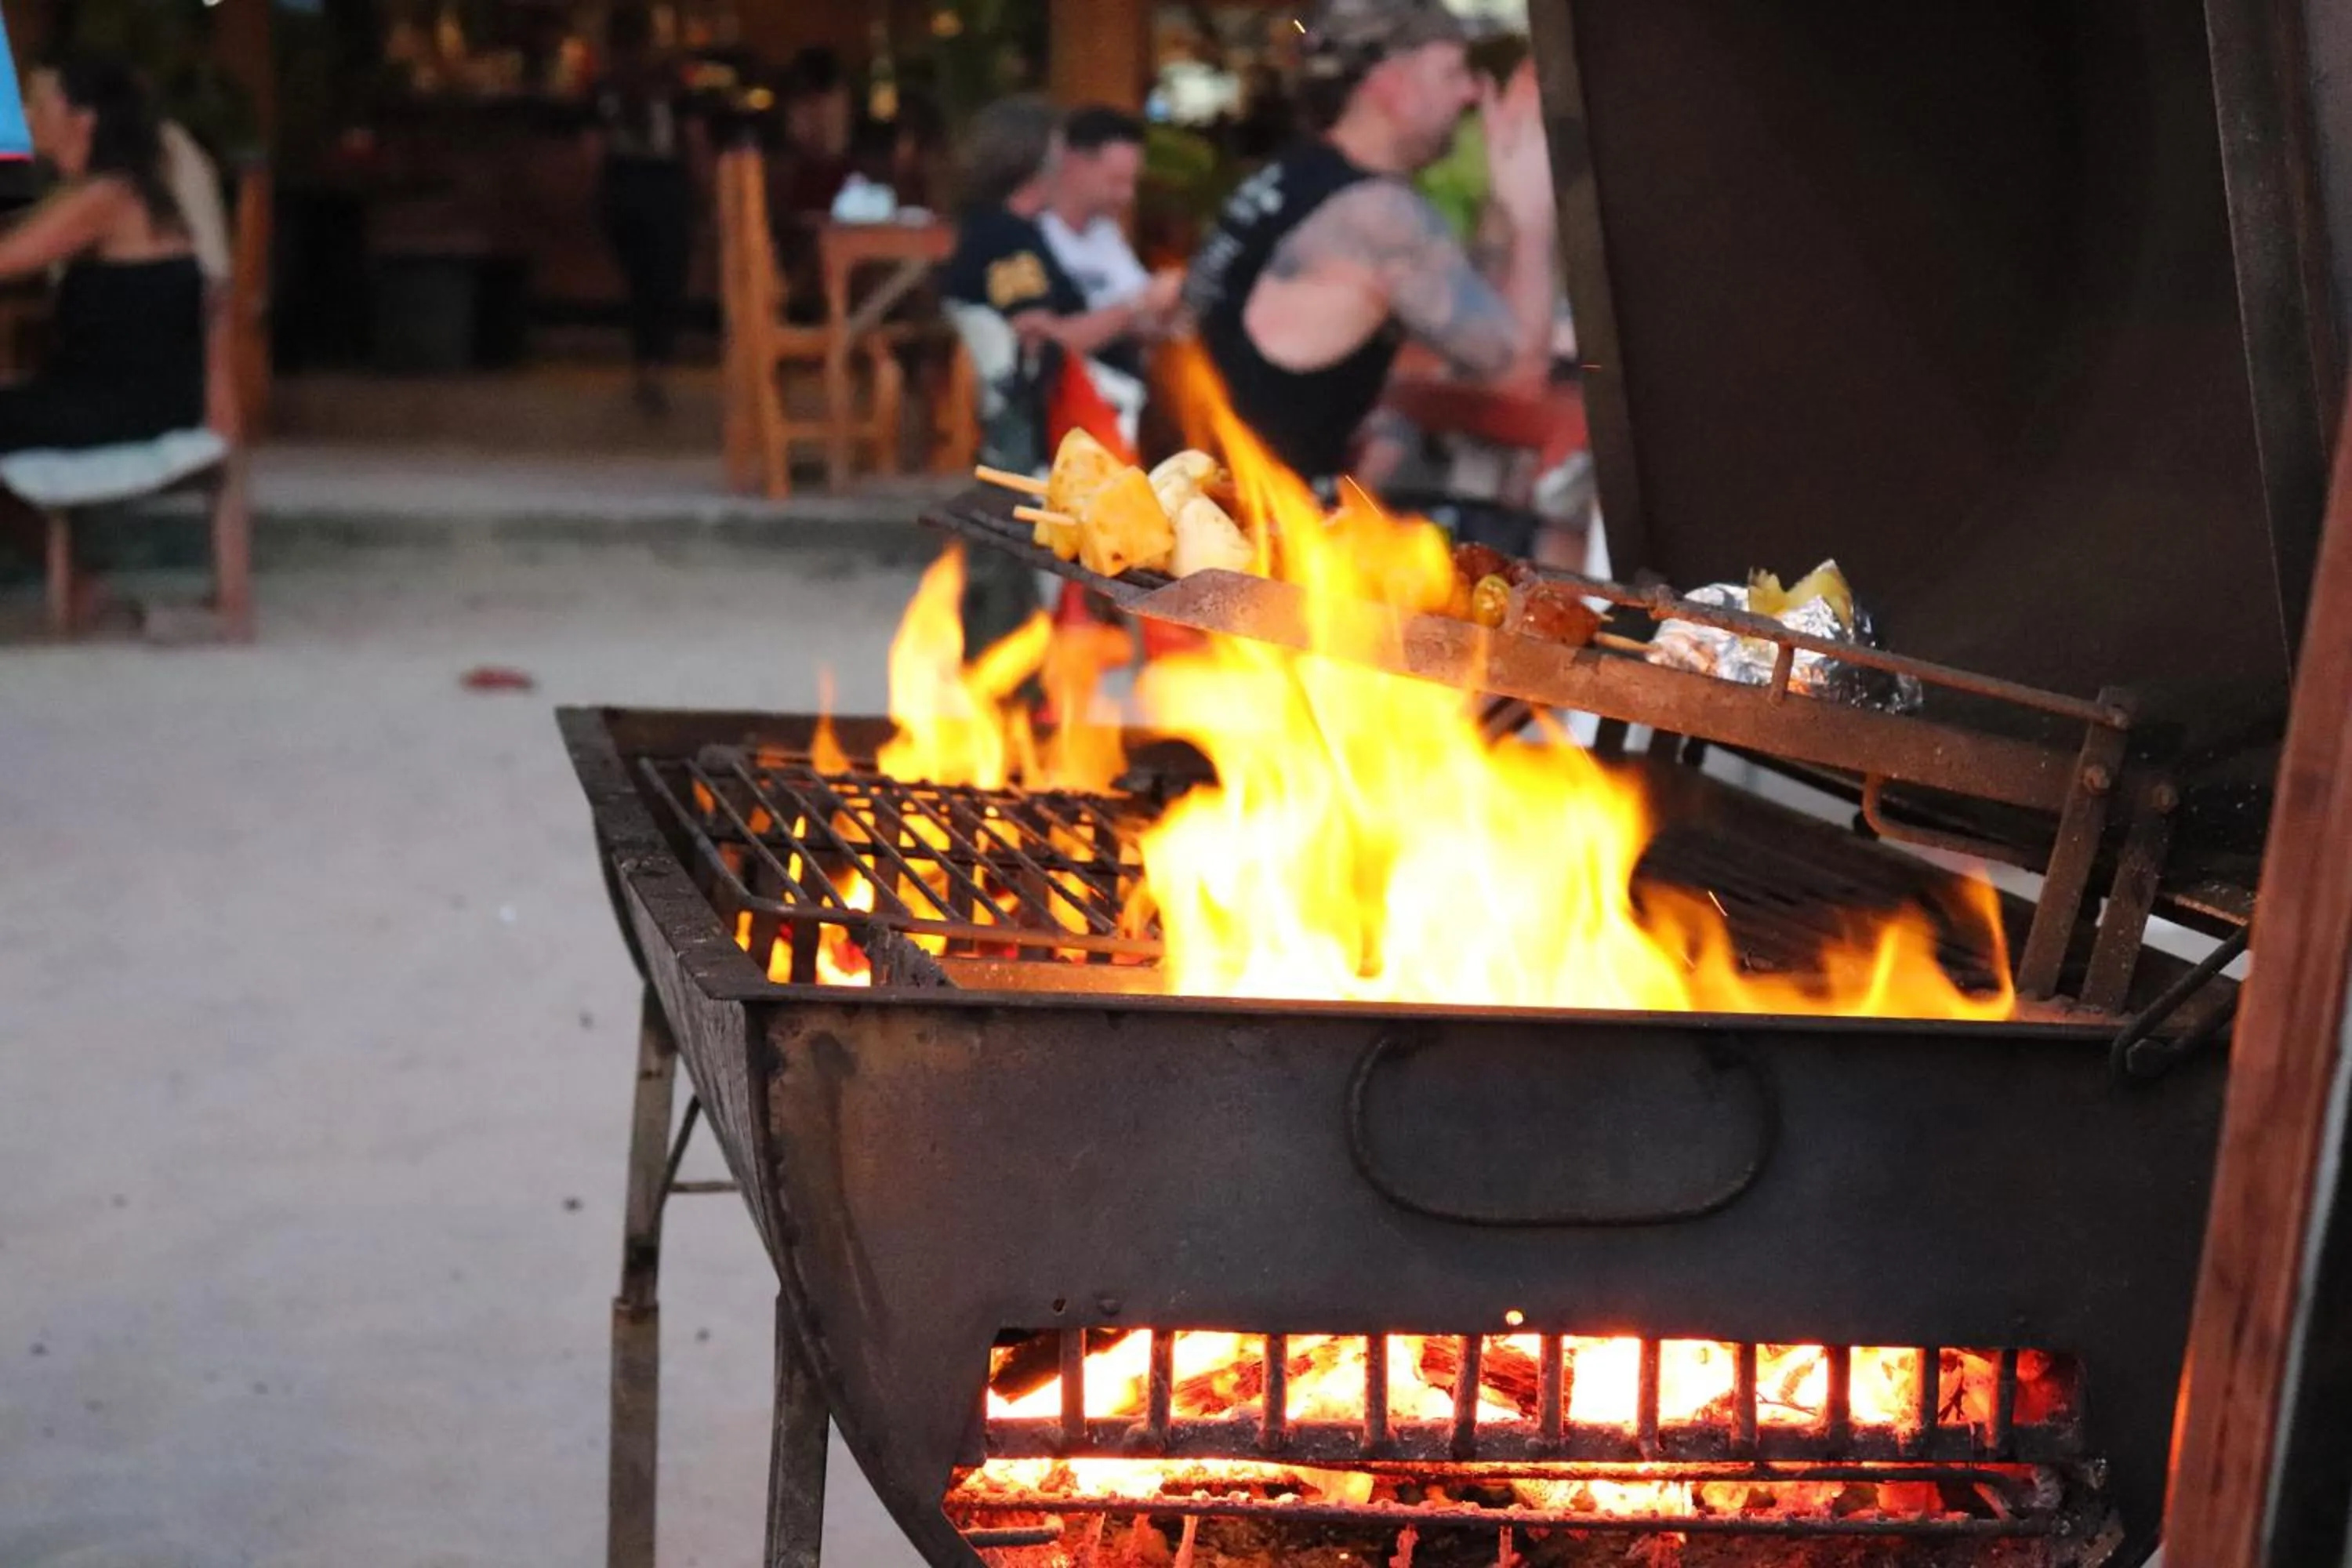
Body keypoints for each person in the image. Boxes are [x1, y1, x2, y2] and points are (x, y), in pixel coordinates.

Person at [1183, 0, 1555, 487]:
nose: (1469, 92)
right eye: (1451, 72)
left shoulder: (1293, 177)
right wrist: (1533, 219)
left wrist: (1500, 209)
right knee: (1546, 526)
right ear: (1390, 84)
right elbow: (1518, 375)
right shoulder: (1378, 215)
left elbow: (1470, 333)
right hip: (1265, 516)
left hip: (1198, 492)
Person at [0, 56, 203, 453]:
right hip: (119, 399)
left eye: (40, 105)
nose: (26, 115)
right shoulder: (118, 189)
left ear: (83, 120)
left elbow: (7, 259)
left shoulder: (106, 197)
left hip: (124, 409)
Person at [585, 5, 700, 416]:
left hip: (621, 184)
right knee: (665, 281)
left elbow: (592, 148)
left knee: (638, 283)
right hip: (664, 185)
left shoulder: (604, 87)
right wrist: (704, 189)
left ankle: (644, 365)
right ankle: (656, 367)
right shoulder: (671, 83)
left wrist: (593, 196)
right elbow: (695, 138)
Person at [1038, 105, 1181, 355]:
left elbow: (1141, 315)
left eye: (1132, 182)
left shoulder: (1104, 234)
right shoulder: (1034, 233)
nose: (1127, 195)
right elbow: (1049, 343)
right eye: (1116, 181)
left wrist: (1168, 311)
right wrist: (1140, 304)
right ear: (1074, 164)